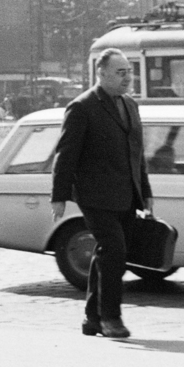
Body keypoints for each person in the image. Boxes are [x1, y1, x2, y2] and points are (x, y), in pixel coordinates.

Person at [51, 49, 153, 340]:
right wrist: (58, 196)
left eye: (129, 71)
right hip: (95, 196)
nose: (127, 77)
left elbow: (137, 154)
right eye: (120, 72)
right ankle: (111, 317)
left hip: (126, 194)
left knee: (108, 254)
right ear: (102, 73)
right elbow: (66, 155)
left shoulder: (130, 105)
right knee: (114, 251)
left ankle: (91, 317)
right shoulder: (82, 107)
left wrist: (145, 192)